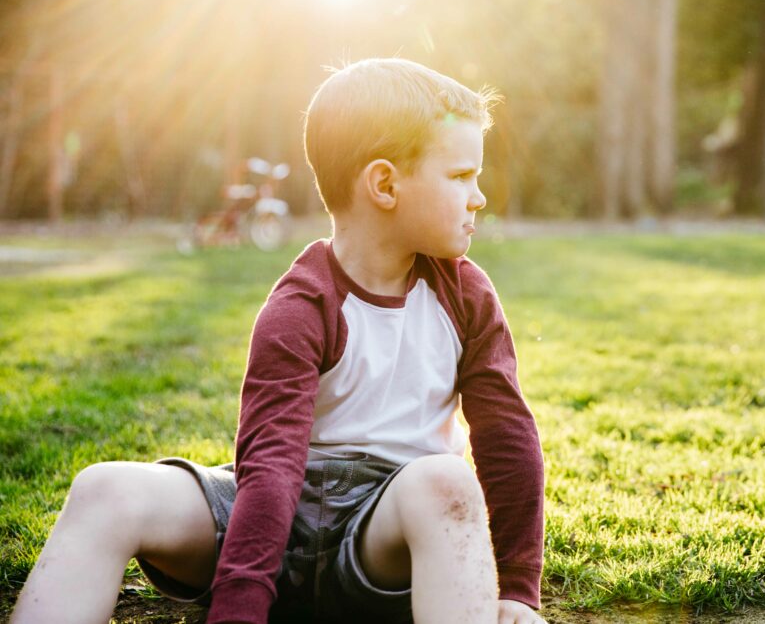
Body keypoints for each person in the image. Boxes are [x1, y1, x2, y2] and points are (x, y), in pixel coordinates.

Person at [11, 58, 546, 624]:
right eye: (462, 176)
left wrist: (515, 589)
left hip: (380, 537)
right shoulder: (301, 305)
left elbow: (507, 436)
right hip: (269, 513)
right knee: (103, 489)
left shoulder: (466, 297)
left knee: (446, 483)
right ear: (385, 184)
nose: (479, 197)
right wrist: (240, 606)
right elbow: (271, 466)